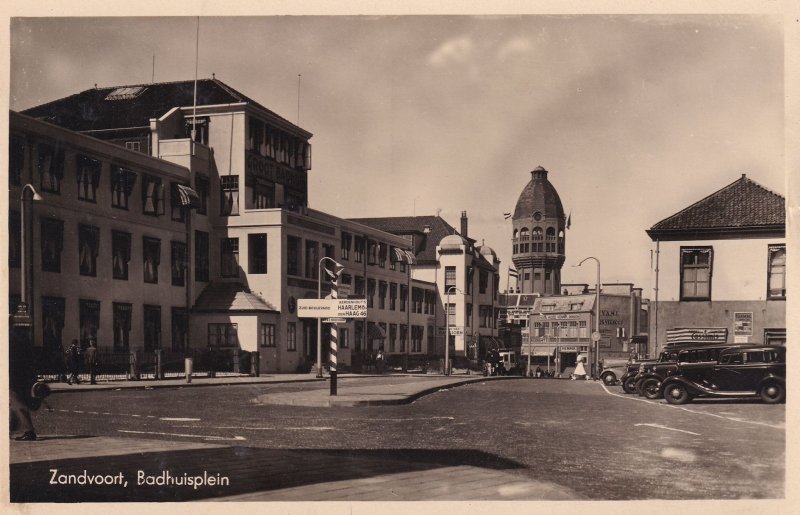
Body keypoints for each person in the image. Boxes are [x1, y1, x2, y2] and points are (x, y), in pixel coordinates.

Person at [9, 326, 38, 441]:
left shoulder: (10, 337)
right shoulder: (22, 337)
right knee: (13, 402)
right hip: (23, 374)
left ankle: (29, 430)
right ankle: (10, 429)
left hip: (14, 374)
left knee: (17, 401)